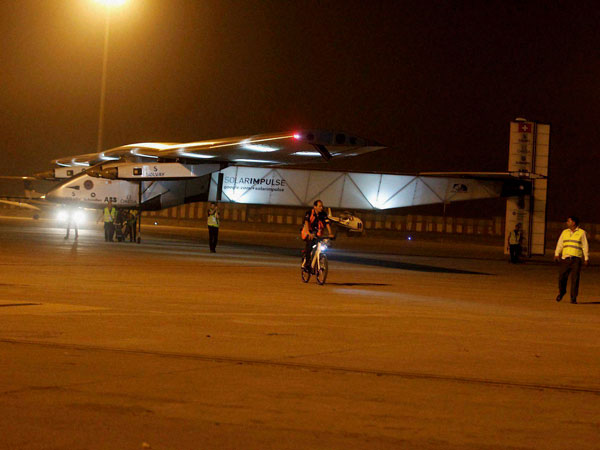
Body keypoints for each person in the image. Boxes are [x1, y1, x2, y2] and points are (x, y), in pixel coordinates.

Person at [554, 216, 589, 304]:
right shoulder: (564, 232)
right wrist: (557, 254)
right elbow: (560, 244)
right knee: (562, 278)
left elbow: (585, 246)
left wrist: (586, 258)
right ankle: (562, 292)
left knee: (575, 279)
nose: (567, 223)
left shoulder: (582, 233)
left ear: (574, 223)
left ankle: (573, 298)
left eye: (568, 221)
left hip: (576, 259)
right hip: (565, 259)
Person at [301, 199, 333, 270]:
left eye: (322, 206)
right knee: (310, 245)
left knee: (322, 243)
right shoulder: (309, 213)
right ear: (315, 206)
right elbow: (306, 223)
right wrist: (309, 233)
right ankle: (307, 264)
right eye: (319, 206)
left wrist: (330, 233)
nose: (321, 208)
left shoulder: (323, 214)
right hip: (307, 230)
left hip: (316, 232)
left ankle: (318, 260)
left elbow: (327, 223)